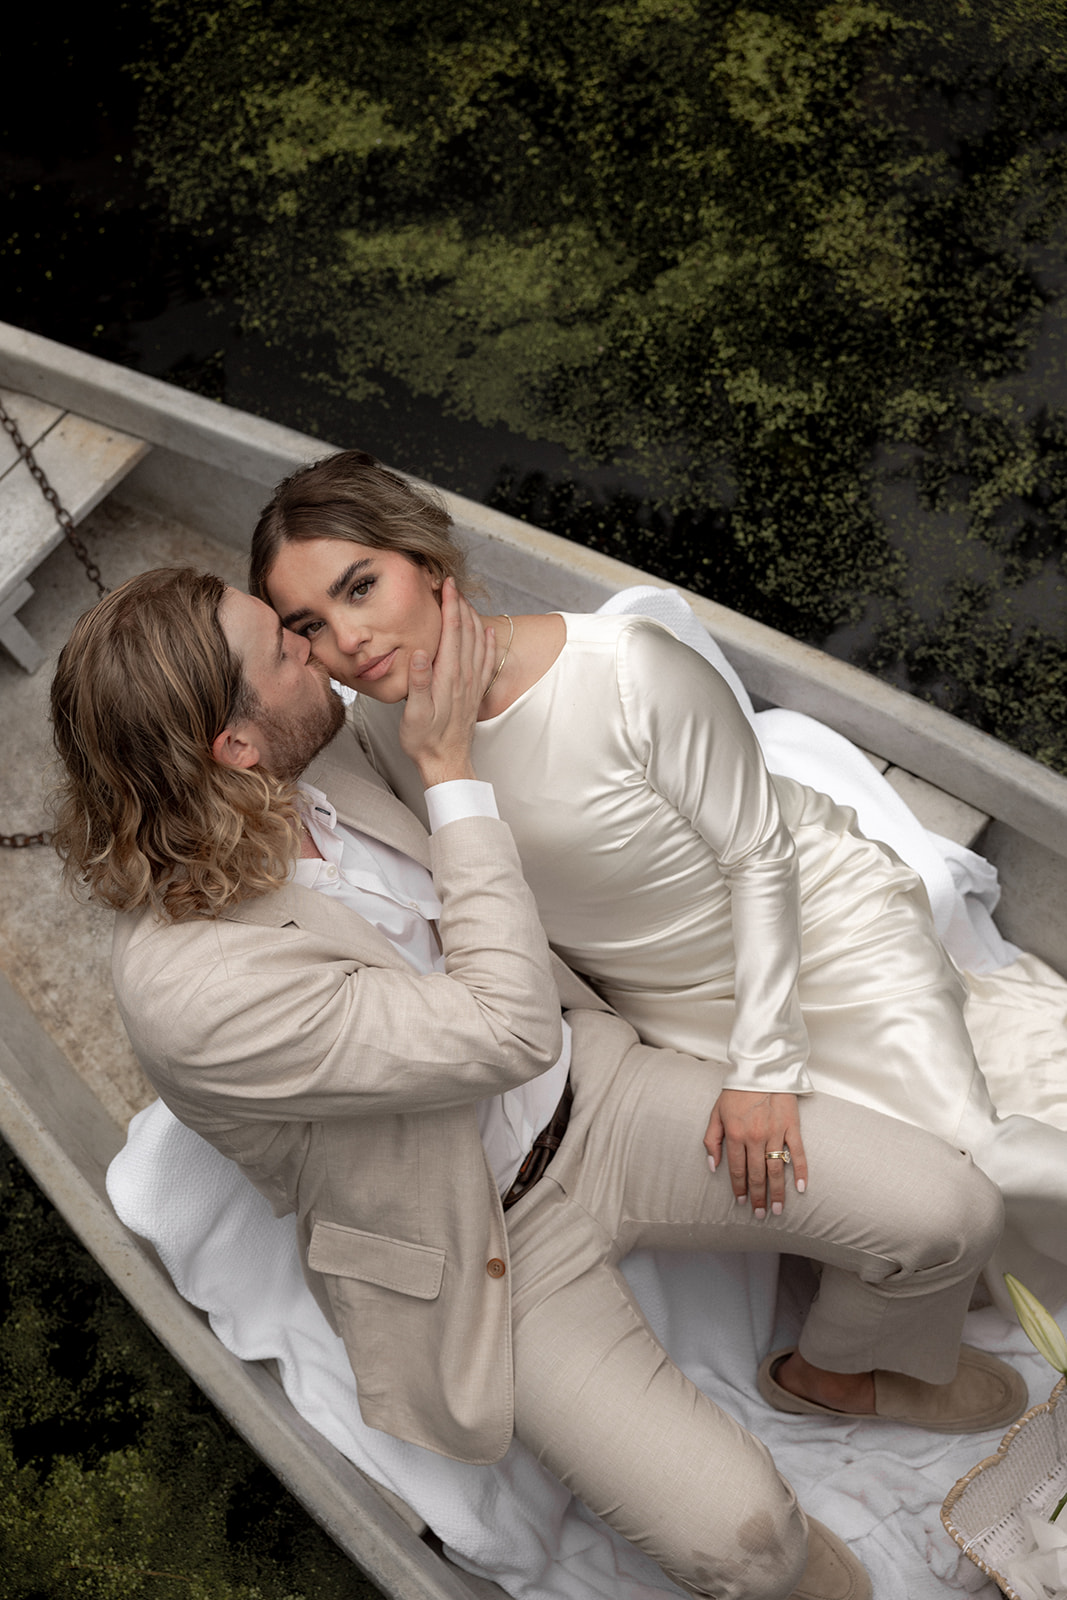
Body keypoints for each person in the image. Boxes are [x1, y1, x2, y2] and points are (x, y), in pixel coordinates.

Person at [51, 566, 1024, 1600]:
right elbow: (503, 1028)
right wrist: (449, 771)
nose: (318, 657)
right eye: (287, 651)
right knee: (746, 1545)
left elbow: (443, 643)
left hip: (603, 1100)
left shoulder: (307, 757)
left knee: (947, 1213)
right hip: (482, 1247)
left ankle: (835, 1373)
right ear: (234, 747)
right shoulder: (191, 993)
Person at [249, 449, 1067, 1279]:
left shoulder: (628, 671)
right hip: (664, 1009)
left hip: (816, 929)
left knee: (971, 1162)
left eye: (360, 587)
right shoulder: (386, 736)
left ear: (425, 563)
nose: (349, 639)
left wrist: (763, 1069)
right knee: (871, 1193)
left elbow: (760, 855)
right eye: (310, 625)